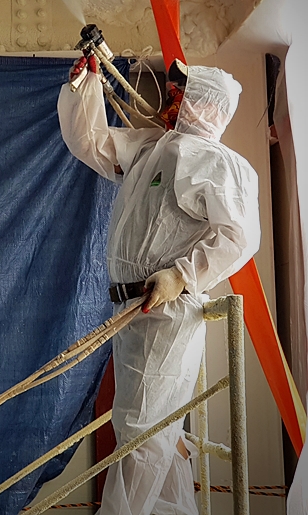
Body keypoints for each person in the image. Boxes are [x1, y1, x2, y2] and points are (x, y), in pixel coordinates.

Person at [56, 53, 261, 515]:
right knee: (151, 429)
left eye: (180, 94)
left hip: (165, 310)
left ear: (206, 104)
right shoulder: (151, 148)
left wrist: (182, 276)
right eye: (173, 92)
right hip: (134, 308)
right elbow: (91, 142)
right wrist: (83, 88)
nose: (171, 100)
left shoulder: (219, 163)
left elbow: (240, 237)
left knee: (142, 433)